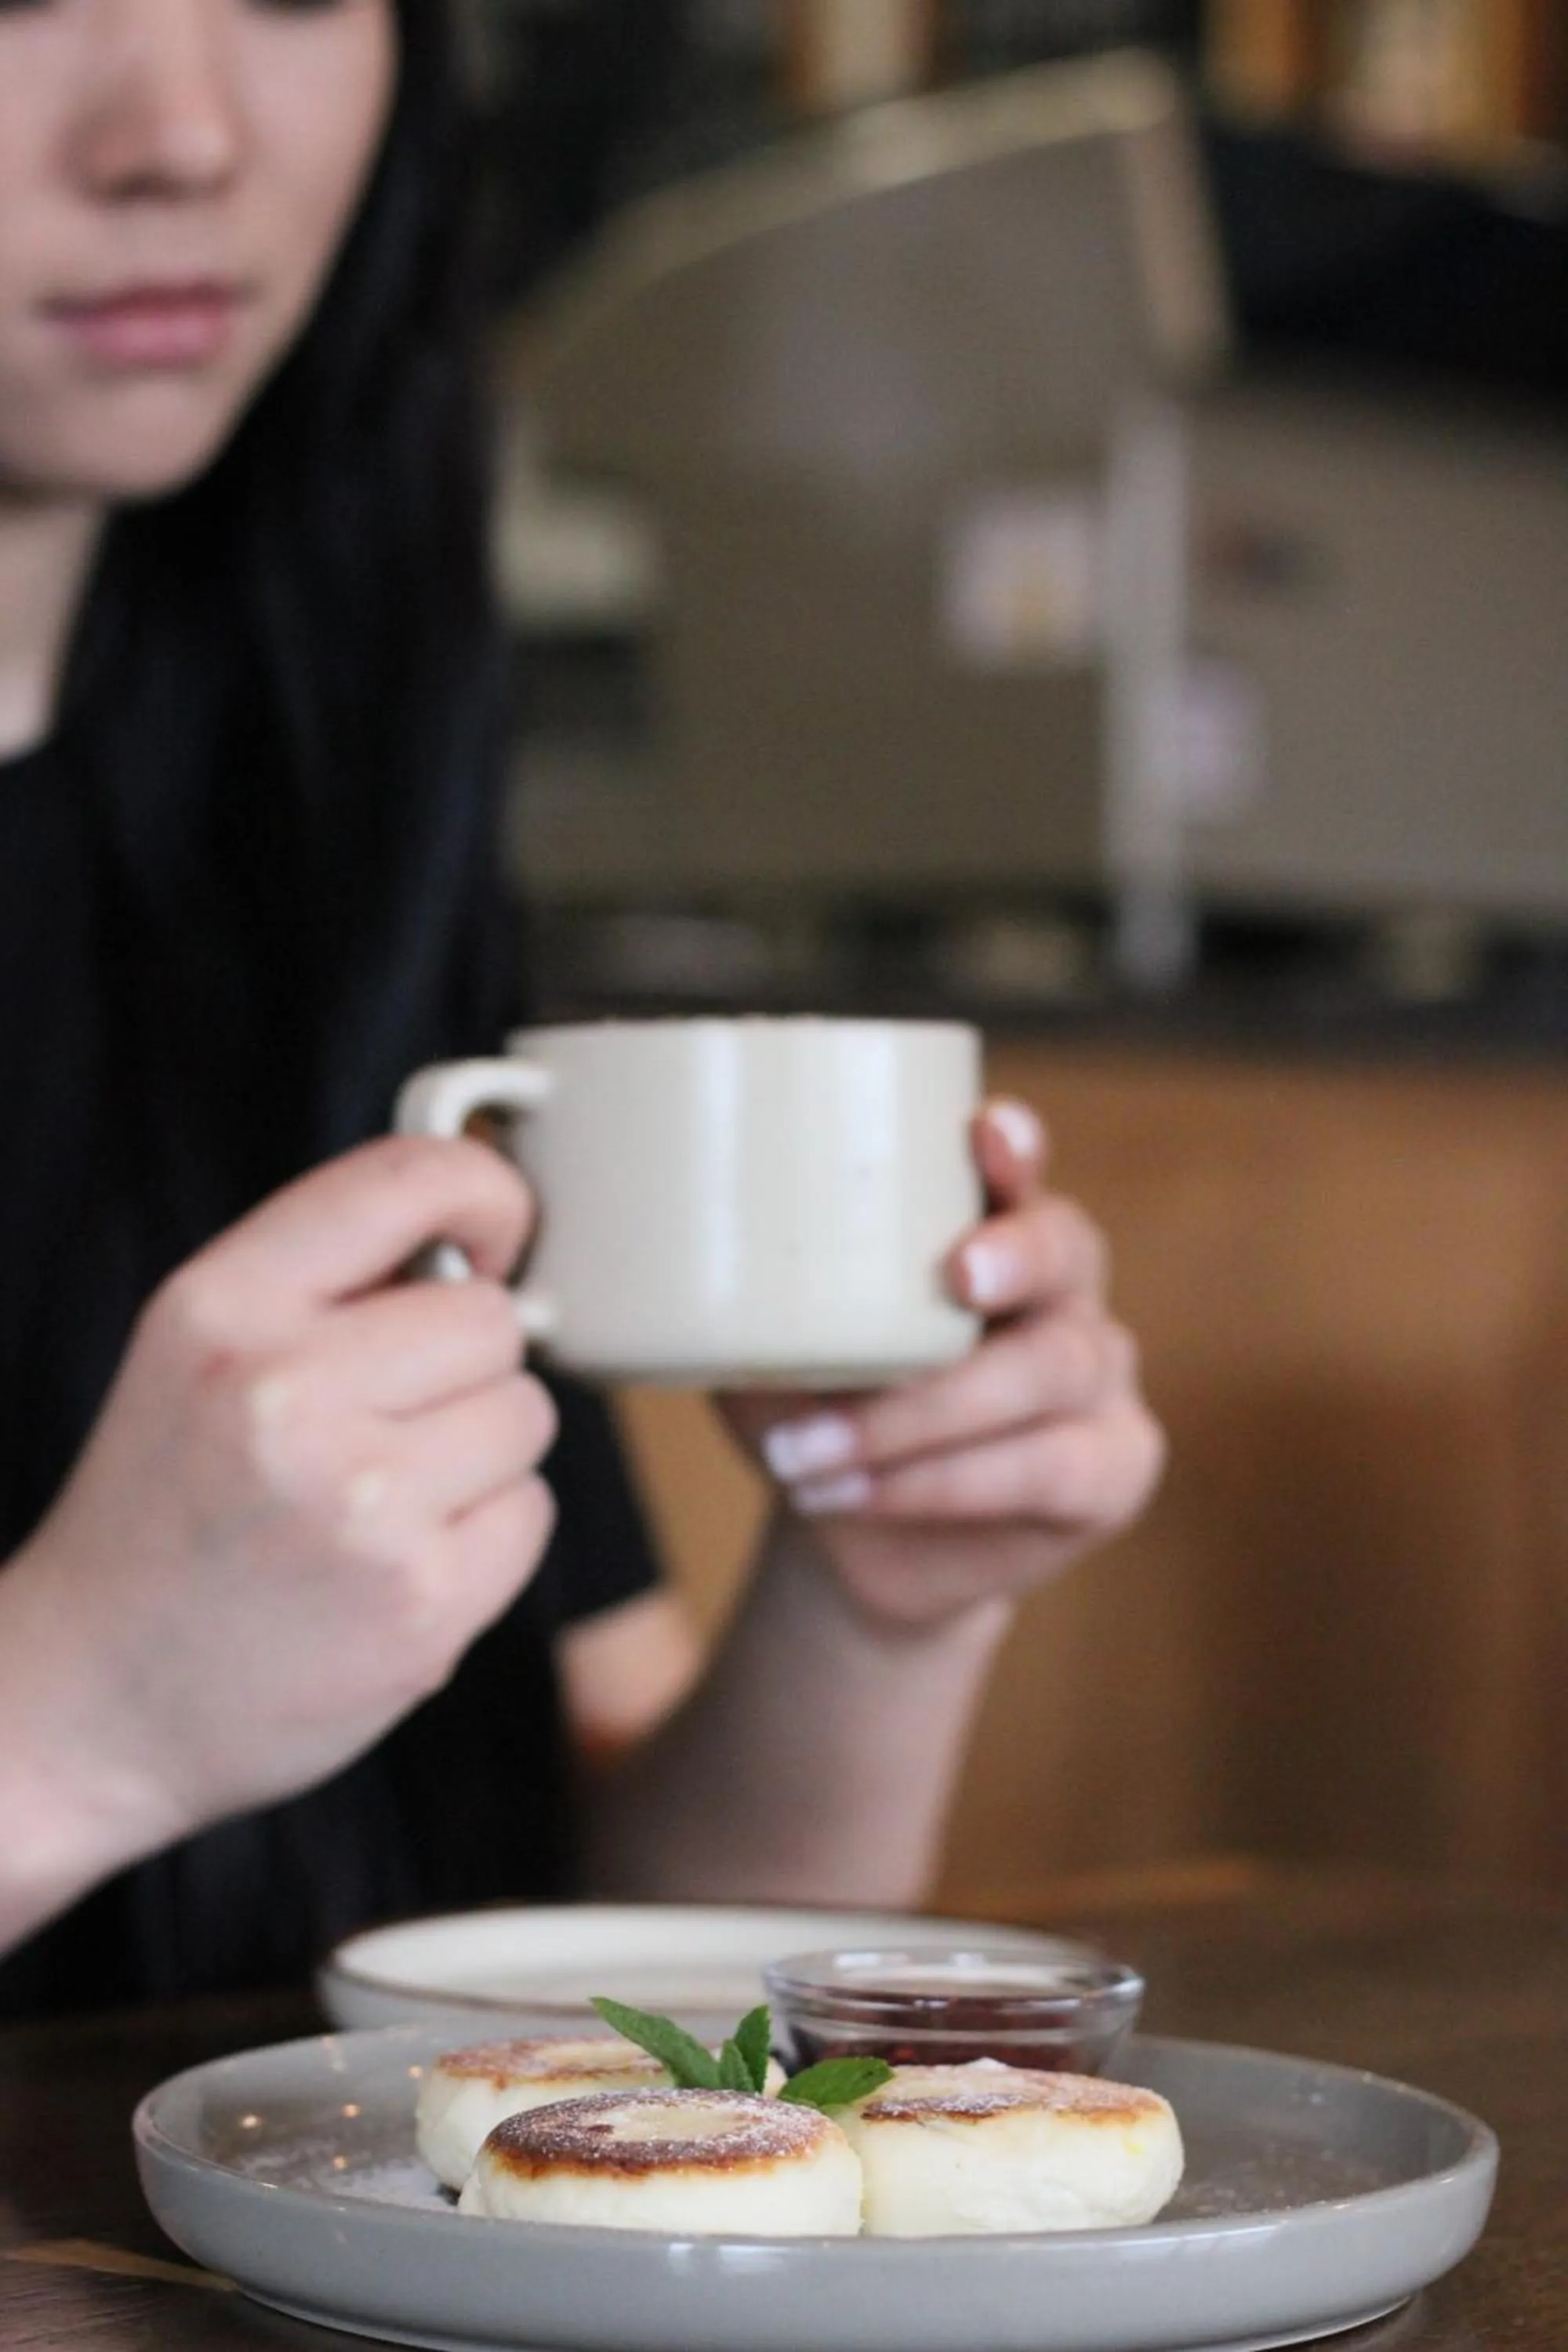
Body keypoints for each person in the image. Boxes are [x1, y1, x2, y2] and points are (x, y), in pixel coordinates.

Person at [0, 0, 1165, 2020]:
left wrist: (871, 1614)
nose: (178, 133)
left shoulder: (325, 788)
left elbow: (587, 1993)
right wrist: (68, 1723)